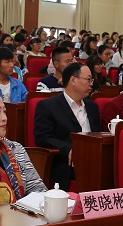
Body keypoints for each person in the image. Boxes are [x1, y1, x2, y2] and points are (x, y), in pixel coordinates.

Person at [34, 62, 101, 190]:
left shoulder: (92, 107)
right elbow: (42, 138)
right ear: (73, 80)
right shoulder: (48, 106)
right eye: (88, 79)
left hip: (93, 161)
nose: (91, 84)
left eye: (91, 80)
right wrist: (69, 149)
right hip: (66, 163)